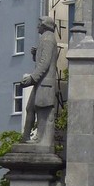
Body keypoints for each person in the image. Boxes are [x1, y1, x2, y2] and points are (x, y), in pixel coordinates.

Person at [21, 16, 58, 149]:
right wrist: (35, 54)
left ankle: (41, 139)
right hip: (41, 82)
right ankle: (26, 137)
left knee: (42, 110)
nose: (37, 26)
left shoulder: (48, 39)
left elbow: (45, 63)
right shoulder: (45, 38)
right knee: (30, 108)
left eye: (39, 24)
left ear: (45, 25)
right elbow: (42, 59)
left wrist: (32, 78)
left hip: (44, 82)